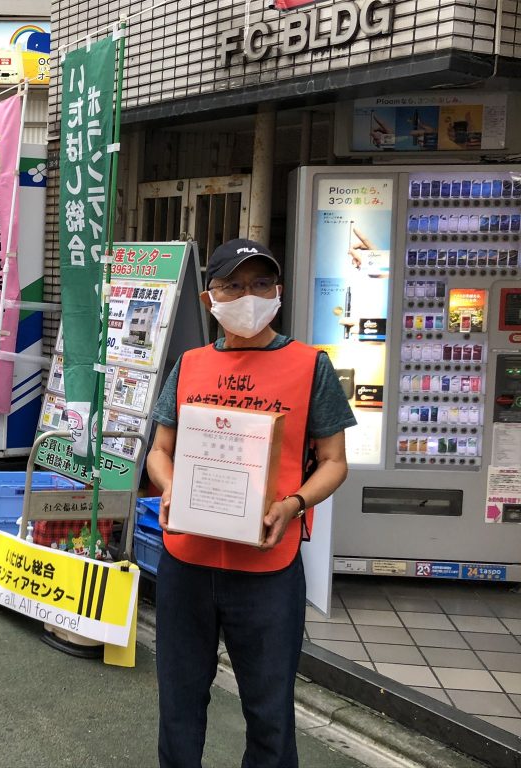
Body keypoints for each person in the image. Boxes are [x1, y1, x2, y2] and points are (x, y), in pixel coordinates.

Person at [146, 238, 355, 768]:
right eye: (233, 285)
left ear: (278, 291)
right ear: (207, 297)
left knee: (269, 712)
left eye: (261, 283)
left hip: (267, 565)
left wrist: (293, 503)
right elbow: (160, 452)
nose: (248, 295)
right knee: (179, 703)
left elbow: (334, 461)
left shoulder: (310, 366)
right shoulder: (190, 364)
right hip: (187, 560)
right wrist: (171, 487)